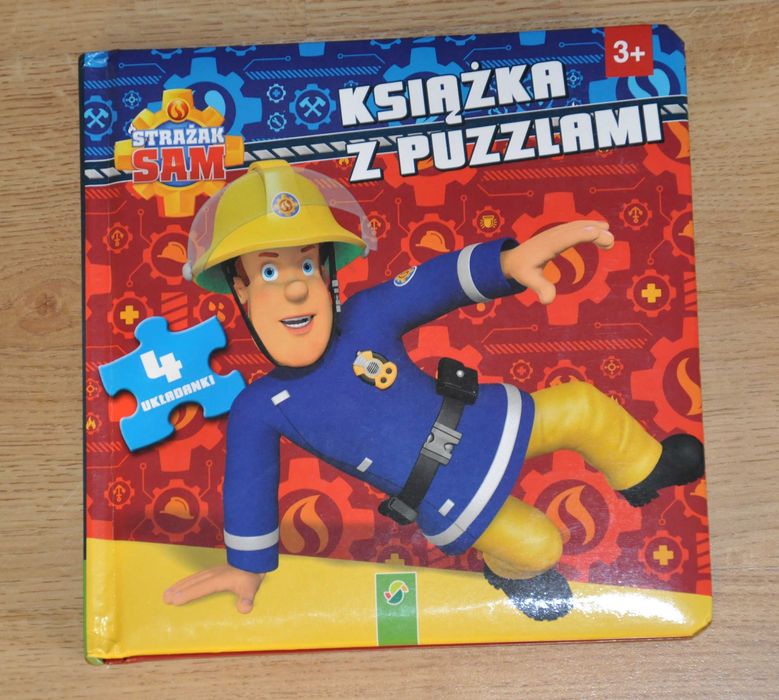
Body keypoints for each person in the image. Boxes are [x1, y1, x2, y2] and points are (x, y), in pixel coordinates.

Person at [164, 160, 704, 621]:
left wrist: (508, 263)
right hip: (446, 491)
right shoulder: (259, 407)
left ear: (326, 272)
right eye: (268, 272)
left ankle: (646, 469)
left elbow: (431, 283)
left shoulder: (366, 316)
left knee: (582, 405)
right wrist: (247, 565)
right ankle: (510, 573)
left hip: (480, 419)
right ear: (239, 288)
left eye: (306, 263)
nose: (297, 286)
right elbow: (250, 486)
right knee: (540, 545)